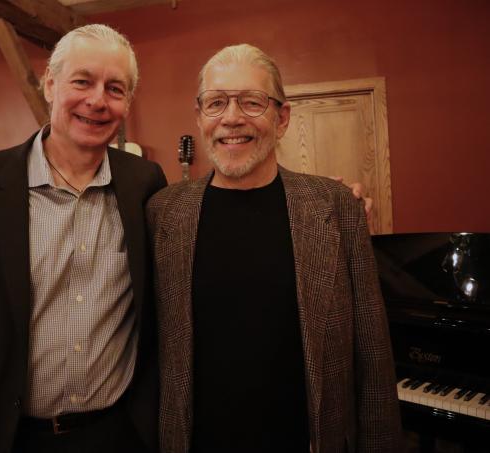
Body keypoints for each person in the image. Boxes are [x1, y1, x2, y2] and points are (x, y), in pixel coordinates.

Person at [0, 24, 167, 453]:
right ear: (50, 83)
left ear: (127, 102)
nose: (97, 100)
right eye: (82, 81)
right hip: (7, 438)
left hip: (119, 434)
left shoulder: (145, 184)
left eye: (115, 88)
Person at [146, 44, 401, 453]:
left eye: (251, 102)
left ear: (282, 118)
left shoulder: (335, 207)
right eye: (216, 103)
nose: (232, 118)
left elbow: (373, 351)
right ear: (199, 118)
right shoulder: (163, 213)